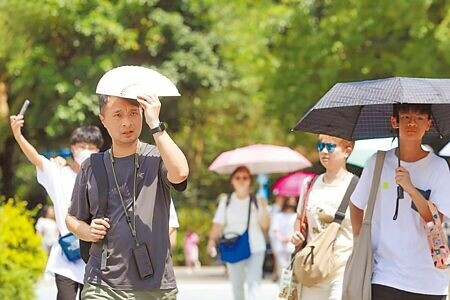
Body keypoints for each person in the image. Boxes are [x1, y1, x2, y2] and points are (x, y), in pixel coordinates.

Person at [66, 66, 189, 300]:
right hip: (102, 283)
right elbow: (72, 218)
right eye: (118, 114)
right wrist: (88, 231)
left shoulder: (157, 156)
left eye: (134, 113)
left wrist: (156, 124)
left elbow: (181, 173)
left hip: (155, 285)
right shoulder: (92, 166)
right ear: (103, 119)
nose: (127, 122)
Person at [350, 104, 450, 299]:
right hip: (384, 275)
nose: (412, 123)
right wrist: (361, 243)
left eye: (420, 118)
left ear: (428, 124)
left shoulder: (438, 167)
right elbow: (356, 205)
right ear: (394, 121)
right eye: (405, 117)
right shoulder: (376, 162)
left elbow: (436, 219)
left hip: (428, 280)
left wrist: (411, 189)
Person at [9, 116, 104, 300]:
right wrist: (18, 135)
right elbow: (37, 159)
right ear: (72, 148)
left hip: (94, 255)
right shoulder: (59, 172)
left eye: (91, 148)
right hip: (66, 255)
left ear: (98, 151)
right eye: (82, 146)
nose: (86, 151)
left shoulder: (103, 178)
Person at [291, 134, 356, 300]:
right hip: (313, 268)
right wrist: (297, 234)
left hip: (343, 269)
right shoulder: (310, 184)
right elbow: (300, 219)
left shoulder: (358, 187)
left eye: (331, 147)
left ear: (347, 150)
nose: (324, 151)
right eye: (321, 146)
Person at [207, 165, 271, 300]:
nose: (241, 180)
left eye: (245, 177)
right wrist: (211, 241)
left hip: (256, 247)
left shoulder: (257, 200)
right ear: (232, 181)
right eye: (238, 177)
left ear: (250, 180)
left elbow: (265, 226)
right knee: (237, 286)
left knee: (254, 284)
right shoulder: (227, 200)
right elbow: (218, 223)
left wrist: (264, 208)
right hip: (233, 246)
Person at [270, 196, 298, 280]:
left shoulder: (296, 216)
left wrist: (289, 239)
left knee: (292, 271)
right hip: (280, 247)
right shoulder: (279, 216)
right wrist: (281, 238)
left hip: (293, 247)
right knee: (282, 270)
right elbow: (275, 230)